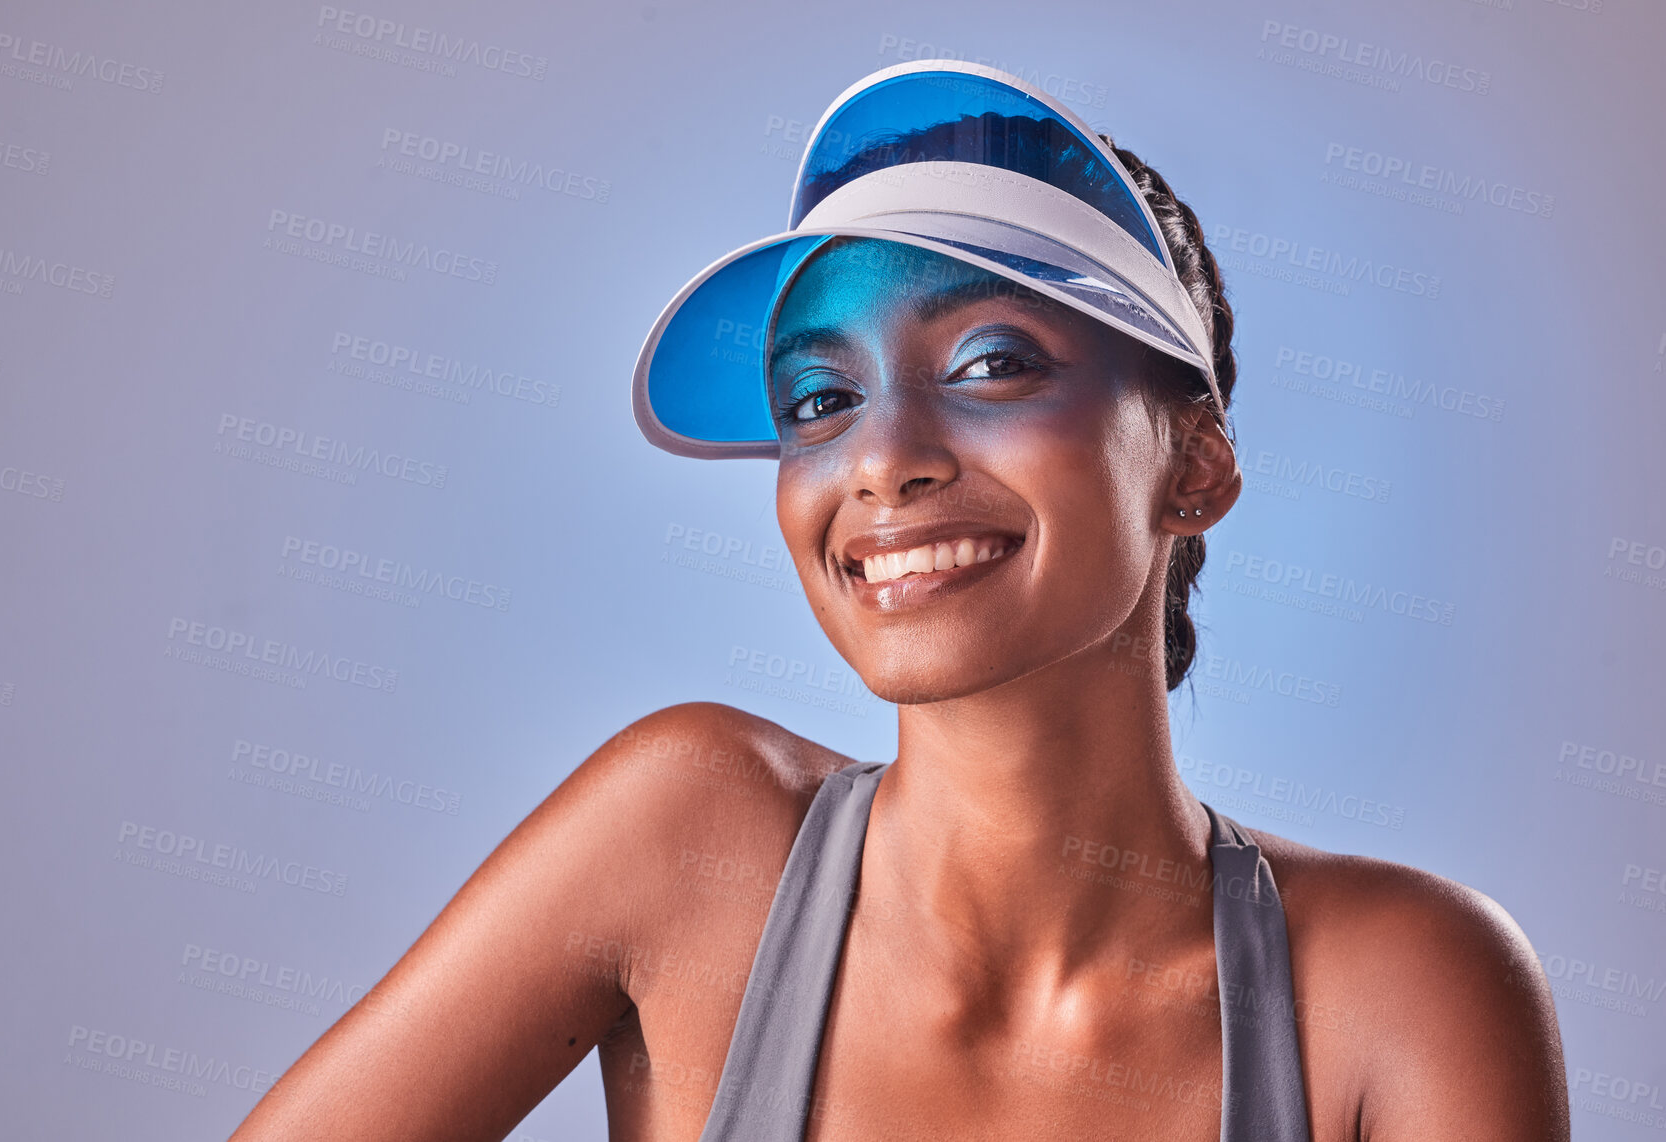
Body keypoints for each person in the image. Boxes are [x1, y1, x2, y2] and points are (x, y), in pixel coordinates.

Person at [231, 61, 1568, 1142]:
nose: (880, 456)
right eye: (820, 401)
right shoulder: (685, 839)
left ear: (1193, 469)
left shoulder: (1402, 990)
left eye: (991, 362)